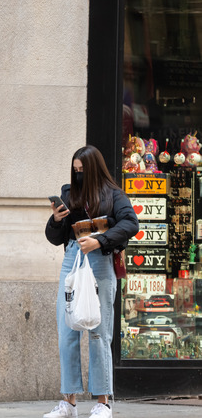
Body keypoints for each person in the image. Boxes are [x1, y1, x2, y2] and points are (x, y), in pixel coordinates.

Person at [44, 145, 139, 418]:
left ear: (94, 169)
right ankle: (69, 402)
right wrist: (56, 220)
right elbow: (55, 237)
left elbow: (131, 223)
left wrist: (99, 239)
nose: (78, 176)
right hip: (72, 259)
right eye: (75, 171)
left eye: (82, 171)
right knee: (67, 332)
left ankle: (103, 402)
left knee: (99, 333)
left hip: (100, 261)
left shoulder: (114, 195)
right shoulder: (68, 193)